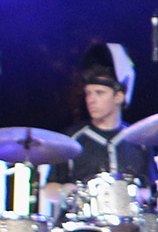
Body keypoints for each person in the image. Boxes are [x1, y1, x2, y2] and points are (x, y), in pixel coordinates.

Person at [46, 42, 152, 198]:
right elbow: (49, 191)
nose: (91, 100)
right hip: (83, 221)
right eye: (88, 93)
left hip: (128, 220)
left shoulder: (139, 141)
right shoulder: (71, 140)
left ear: (119, 97)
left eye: (99, 93)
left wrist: (132, 195)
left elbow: (149, 190)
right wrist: (67, 191)